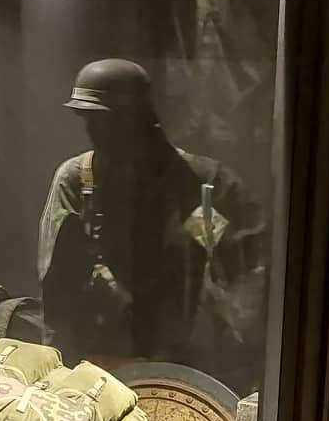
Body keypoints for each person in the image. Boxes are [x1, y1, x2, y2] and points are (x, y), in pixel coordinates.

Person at [37, 58, 266, 394]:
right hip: (104, 361)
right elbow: (57, 284)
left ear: (140, 118)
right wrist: (59, 373)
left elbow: (244, 269)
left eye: (109, 121)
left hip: (190, 363)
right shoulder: (78, 180)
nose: (96, 133)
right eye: (91, 121)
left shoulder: (200, 182)